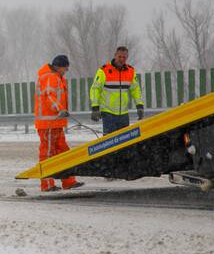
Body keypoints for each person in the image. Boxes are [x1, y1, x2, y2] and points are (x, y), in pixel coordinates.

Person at [35, 55, 83, 192]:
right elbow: (49, 96)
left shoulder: (57, 77)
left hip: (55, 123)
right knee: (48, 153)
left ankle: (68, 181)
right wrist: (60, 109)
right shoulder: (50, 77)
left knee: (63, 151)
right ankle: (47, 184)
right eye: (66, 67)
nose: (67, 70)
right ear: (58, 66)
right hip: (48, 124)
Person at [89, 46, 144, 135]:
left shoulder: (130, 71)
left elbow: (136, 89)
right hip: (108, 113)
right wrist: (95, 108)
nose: (121, 59)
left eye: (124, 57)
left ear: (127, 58)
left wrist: (139, 105)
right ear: (115, 56)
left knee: (124, 142)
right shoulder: (104, 70)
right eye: (119, 56)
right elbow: (95, 89)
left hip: (124, 113)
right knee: (110, 142)